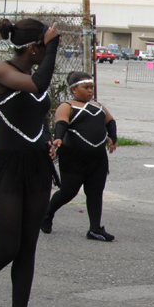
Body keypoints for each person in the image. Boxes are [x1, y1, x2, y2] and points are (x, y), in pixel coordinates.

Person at [0, 18, 60, 307]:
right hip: (7, 167)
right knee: (8, 246)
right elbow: (37, 88)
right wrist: (54, 45)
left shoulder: (31, 76)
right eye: (44, 48)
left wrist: (47, 138)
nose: (46, 54)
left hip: (37, 167)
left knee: (28, 246)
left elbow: (35, 114)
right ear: (34, 48)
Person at [41, 72, 117, 241]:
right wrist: (58, 137)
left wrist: (112, 137)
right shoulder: (67, 106)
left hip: (97, 158)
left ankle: (95, 228)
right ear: (74, 89)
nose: (90, 91)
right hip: (74, 157)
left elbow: (110, 122)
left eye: (92, 88)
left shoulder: (98, 106)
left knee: (95, 192)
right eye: (86, 88)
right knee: (69, 191)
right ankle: (47, 214)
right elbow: (61, 122)